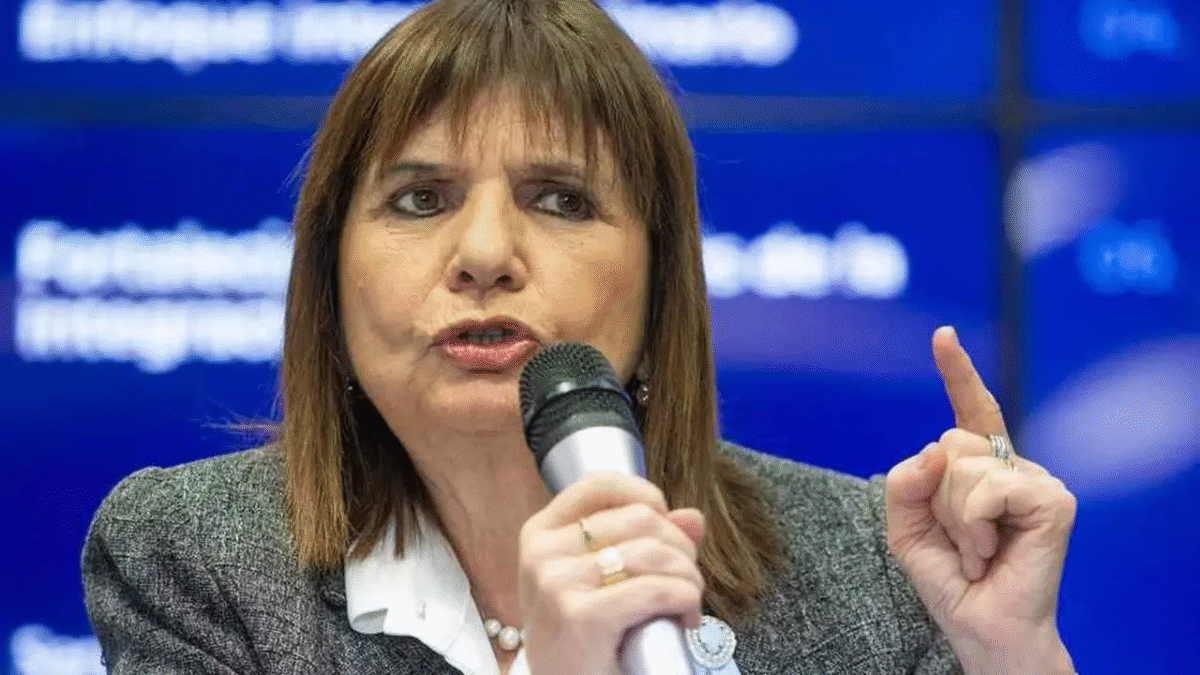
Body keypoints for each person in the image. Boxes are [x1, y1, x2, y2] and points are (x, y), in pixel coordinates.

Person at [81, 0, 1078, 673]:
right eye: (421, 199)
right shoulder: (194, 556)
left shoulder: (874, 567)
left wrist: (1013, 655)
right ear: (330, 273)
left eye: (560, 199)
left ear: (660, 281)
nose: (483, 255)